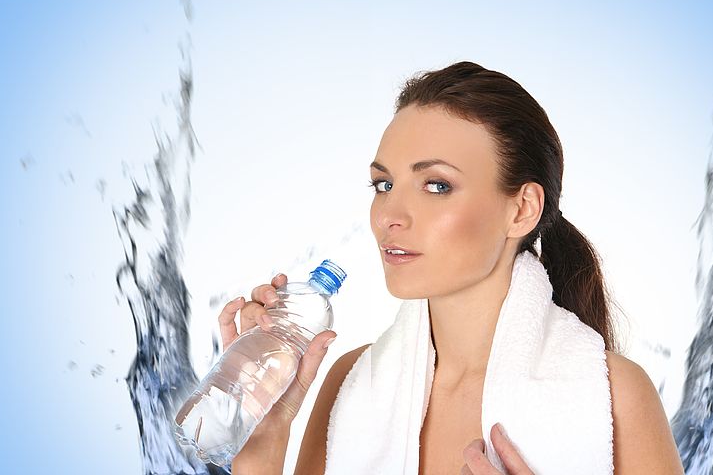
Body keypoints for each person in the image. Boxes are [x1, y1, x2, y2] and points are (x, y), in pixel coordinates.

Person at [219, 62, 684, 474]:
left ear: (522, 209)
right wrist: (262, 446)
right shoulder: (348, 384)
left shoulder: (616, 397)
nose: (389, 215)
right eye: (383, 184)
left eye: (437, 185)